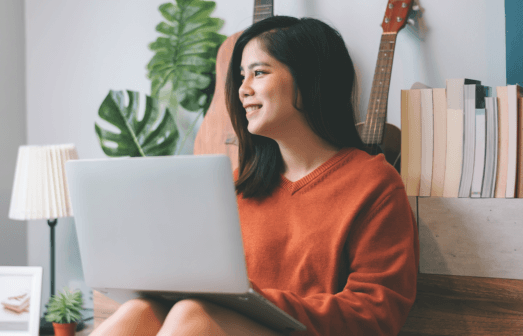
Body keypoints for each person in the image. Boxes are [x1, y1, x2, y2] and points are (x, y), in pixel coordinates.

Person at [90, 16, 418, 336]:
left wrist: (262, 302)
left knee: (194, 315)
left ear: (308, 82)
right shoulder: (234, 187)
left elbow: (377, 312)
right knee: (139, 311)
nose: (242, 90)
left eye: (258, 73)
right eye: (241, 76)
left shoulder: (375, 183)